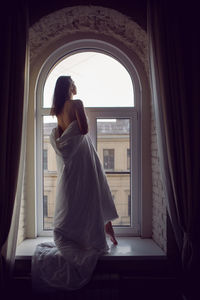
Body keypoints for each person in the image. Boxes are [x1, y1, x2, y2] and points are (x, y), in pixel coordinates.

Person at [32, 76, 118, 292]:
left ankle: (85, 233)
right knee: (92, 193)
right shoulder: (76, 104)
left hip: (69, 168)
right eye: (73, 83)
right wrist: (81, 113)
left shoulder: (57, 110)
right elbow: (85, 129)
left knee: (74, 198)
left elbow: (63, 136)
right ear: (69, 86)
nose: (75, 86)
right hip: (83, 162)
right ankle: (102, 229)